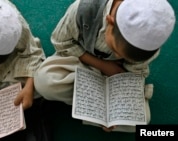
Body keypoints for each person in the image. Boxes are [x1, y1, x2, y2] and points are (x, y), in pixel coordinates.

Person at [34, 0, 175, 132]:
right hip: (80, 62)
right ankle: (94, 109)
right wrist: (103, 66)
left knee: (142, 121)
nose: (118, 57)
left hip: (119, 75)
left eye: (126, 57)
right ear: (110, 22)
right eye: (115, 50)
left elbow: (135, 71)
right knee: (44, 81)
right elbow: (61, 42)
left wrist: (116, 111)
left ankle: (93, 112)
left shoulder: (150, 44)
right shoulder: (85, 9)